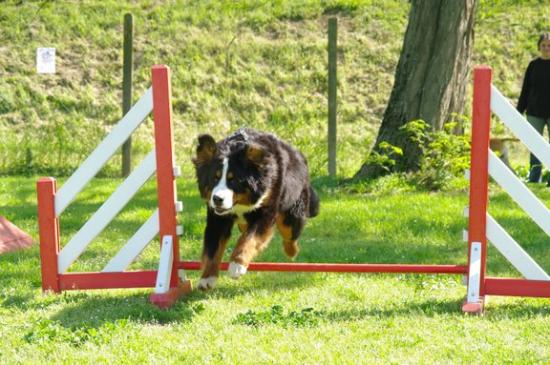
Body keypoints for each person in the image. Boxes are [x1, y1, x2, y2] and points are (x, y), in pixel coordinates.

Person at [517, 32, 550, 185]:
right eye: (543, 45)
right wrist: (518, 111)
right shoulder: (533, 65)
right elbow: (525, 89)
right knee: (535, 145)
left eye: (549, 45)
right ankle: (534, 177)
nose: (546, 48)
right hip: (534, 111)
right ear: (539, 47)